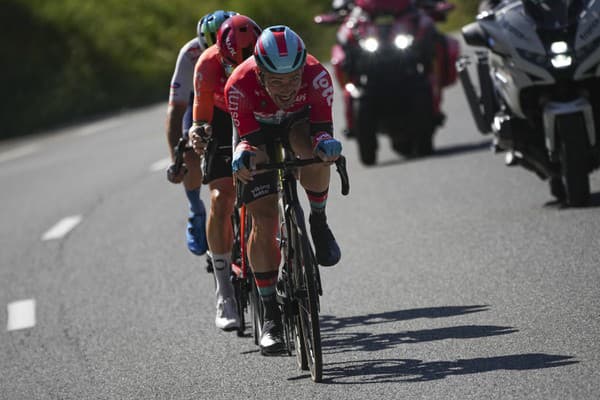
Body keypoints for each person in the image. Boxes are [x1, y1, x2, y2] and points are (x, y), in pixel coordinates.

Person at [223, 26, 343, 355]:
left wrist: (326, 146)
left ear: (302, 69)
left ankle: (318, 221)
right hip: (256, 132)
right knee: (262, 217)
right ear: (259, 73)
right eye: (276, 81)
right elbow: (248, 139)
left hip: (299, 124)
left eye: (293, 79)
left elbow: (320, 130)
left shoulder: (317, 77)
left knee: (314, 152)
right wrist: (242, 158)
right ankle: (271, 314)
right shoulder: (238, 84)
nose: (287, 88)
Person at [189, 15, 262, 331]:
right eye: (234, 64)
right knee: (221, 197)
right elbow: (200, 117)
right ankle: (224, 292)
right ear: (222, 54)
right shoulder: (208, 64)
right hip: (221, 116)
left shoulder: (267, 55)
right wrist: (199, 133)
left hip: (259, 110)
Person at [165, 10, 237, 256]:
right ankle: (196, 209)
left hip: (240, 94)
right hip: (202, 99)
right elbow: (176, 110)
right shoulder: (190, 54)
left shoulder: (247, 38)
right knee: (191, 152)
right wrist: (178, 159)